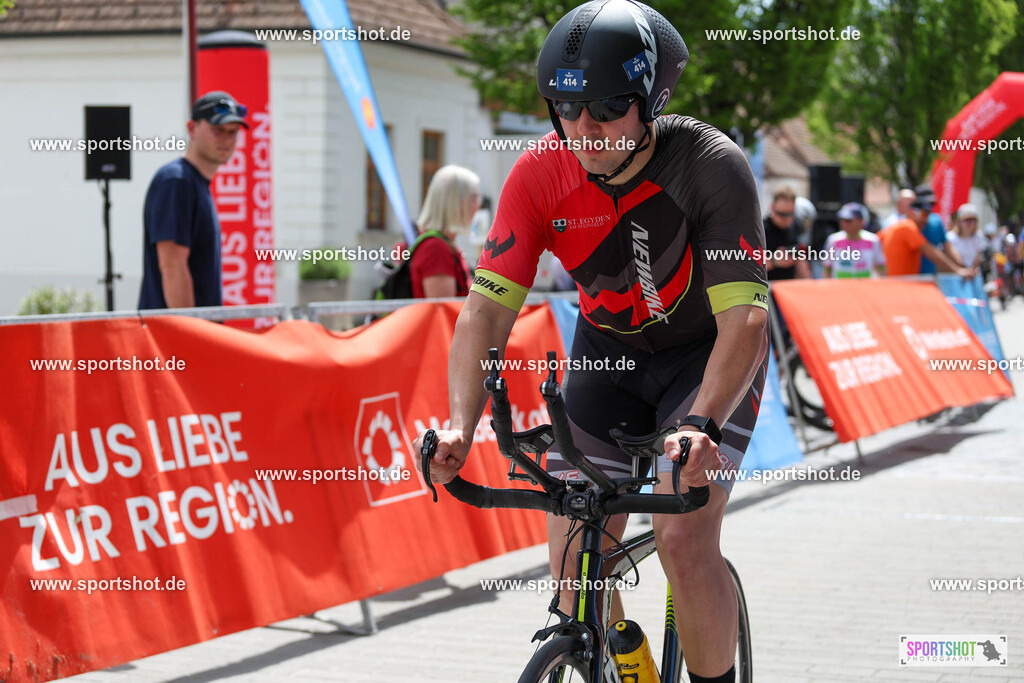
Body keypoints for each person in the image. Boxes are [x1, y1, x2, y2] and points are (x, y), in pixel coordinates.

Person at [414, 3, 768, 681]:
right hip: (610, 360)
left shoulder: (710, 165)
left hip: (707, 359)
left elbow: (745, 320)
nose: (585, 127)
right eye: (567, 109)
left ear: (649, 101)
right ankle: (615, 664)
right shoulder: (540, 173)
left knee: (683, 537)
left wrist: (702, 421)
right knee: (574, 559)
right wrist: (459, 422)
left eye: (606, 108)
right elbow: (484, 315)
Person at [138, 91, 248, 309]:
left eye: (233, 132)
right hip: (171, 336)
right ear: (192, 129)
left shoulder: (194, 183)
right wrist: (191, 333)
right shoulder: (177, 181)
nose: (226, 139)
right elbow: (172, 265)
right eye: (217, 130)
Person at [409, 165, 478, 298]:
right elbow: (444, 314)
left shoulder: (442, 245)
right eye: (474, 198)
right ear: (457, 203)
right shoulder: (436, 249)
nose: (477, 205)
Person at [878, 194, 972, 278]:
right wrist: (957, 271)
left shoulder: (897, 227)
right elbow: (930, 251)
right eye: (923, 213)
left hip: (897, 283)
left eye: (928, 214)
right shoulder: (908, 227)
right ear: (911, 213)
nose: (926, 219)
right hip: (900, 285)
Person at [822, 203, 886, 278]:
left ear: (861, 221)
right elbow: (827, 268)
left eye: (848, 220)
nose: (843, 223)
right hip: (840, 288)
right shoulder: (833, 240)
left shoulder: (873, 240)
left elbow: (881, 267)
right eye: (842, 220)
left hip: (865, 287)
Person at [763, 185, 810, 280]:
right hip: (766, 288)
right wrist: (774, 261)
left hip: (788, 287)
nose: (787, 219)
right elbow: (750, 267)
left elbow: (801, 260)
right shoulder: (762, 230)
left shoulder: (795, 225)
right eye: (782, 214)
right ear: (772, 207)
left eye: (790, 214)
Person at [946, 203, 987, 270]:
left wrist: (971, 271)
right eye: (966, 220)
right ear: (959, 222)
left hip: (973, 275)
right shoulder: (950, 237)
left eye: (973, 220)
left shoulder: (978, 236)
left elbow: (978, 258)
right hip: (955, 274)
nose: (970, 223)